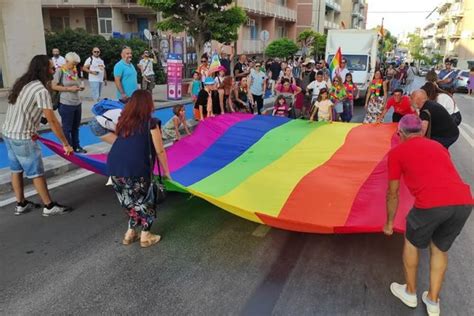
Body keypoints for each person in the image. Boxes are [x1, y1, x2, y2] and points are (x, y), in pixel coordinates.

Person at [384, 114, 472, 316]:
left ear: (400, 133)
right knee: (440, 249)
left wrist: (389, 222)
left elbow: (393, 193)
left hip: (431, 203)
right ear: (421, 131)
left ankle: (410, 292)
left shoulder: (397, 152)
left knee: (412, 242)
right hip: (463, 202)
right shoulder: (438, 146)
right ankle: (433, 301)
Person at [2, 55, 73, 216]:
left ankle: (21, 203)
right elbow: (53, 121)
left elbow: (28, 110)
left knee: (16, 169)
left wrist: (38, 122)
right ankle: (49, 206)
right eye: (51, 68)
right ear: (43, 70)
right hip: (22, 137)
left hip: (8, 133)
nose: (54, 70)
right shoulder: (41, 90)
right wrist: (65, 143)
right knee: (36, 172)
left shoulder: (24, 84)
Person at [107, 90, 170, 248]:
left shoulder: (123, 123)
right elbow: (160, 150)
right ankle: (146, 235)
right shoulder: (152, 123)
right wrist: (167, 172)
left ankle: (130, 233)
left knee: (129, 201)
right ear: (148, 104)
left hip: (115, 168)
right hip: (136, 168)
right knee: (145, 201)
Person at [51, 52, 87, 154]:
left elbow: (76, 82)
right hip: (66, 103)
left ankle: (77, 146)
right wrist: (68, 88)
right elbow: (53, 86)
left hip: (77, 102)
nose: (75, 66)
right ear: (66, 61)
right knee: (67, 128)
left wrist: (80, 87)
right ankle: (68, 147)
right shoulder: (60, 71)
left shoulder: (74, 70)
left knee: (76, 127)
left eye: (76, 63)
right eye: (73, 63)